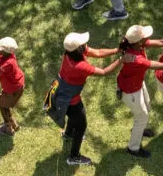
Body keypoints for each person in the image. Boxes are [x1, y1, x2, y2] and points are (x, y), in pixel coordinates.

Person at [115, 25, 163, 158]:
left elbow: (162, 42)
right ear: (139, 41)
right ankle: (133, 148)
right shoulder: (137, 60)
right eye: (145, 37)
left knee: (147, 105)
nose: (148, 38)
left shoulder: (136, 44)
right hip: (130, 91)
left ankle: (140, 130)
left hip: (137, 85)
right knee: (142, 117)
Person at [45, 32, 121, 166]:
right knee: (81, 125)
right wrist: (121, 60)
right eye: (83, 43)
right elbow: (104, 72)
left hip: (60, 92)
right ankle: (74, 157)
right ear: (79, 48)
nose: (86, 44)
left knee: (73, 118)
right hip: (71, 100)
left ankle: (68, 134)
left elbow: (97, 52)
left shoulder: (68, 53)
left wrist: (116, 50)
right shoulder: (80, 66)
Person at [0, 37, 25, 136]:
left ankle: (8, 129)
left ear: (5, 51)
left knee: (2, 105)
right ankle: (13, 124)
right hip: (12, 87)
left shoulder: (9, 62)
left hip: (14, 89)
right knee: (4, 104)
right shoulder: (3, 57)